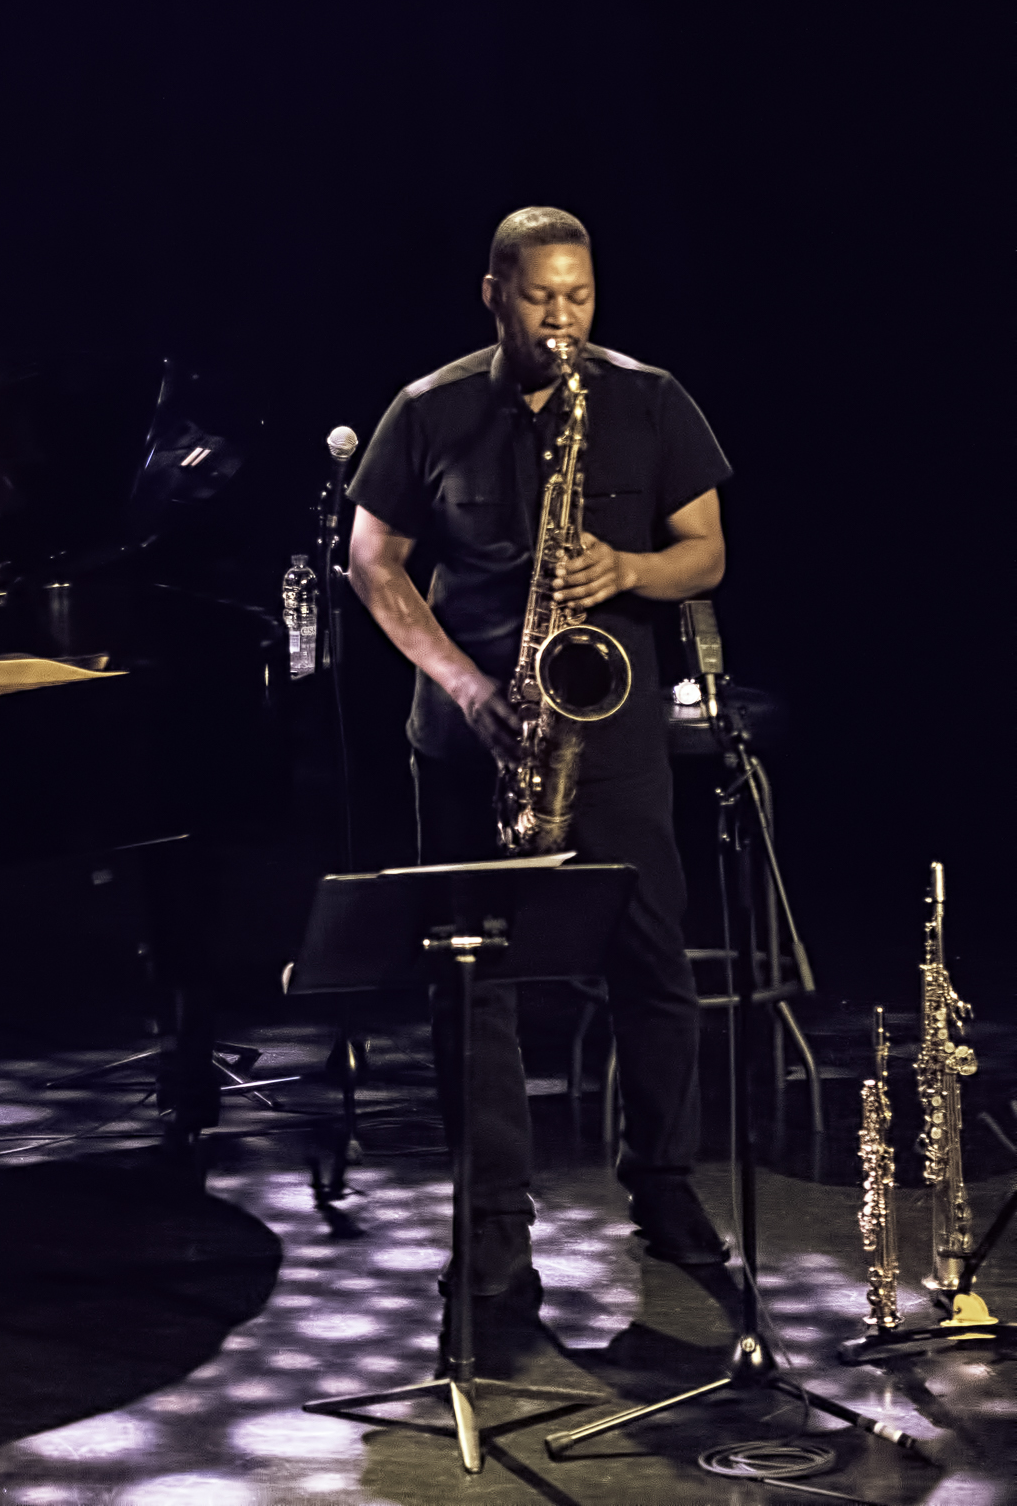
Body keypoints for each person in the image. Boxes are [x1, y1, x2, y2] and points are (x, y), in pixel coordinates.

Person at [345, 208, 731, 1336]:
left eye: (578, 299)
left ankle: (664, 1190)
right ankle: (494, 1233)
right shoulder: (429, 410)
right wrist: (466, 689)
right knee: (476, 989)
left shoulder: (649, 398)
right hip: (473, 734)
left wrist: (629, 565)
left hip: (610, 738)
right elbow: (373, 562)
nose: (560, 321)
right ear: (492, 293)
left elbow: (707, 550)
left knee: (654, 971)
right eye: (538, 300)